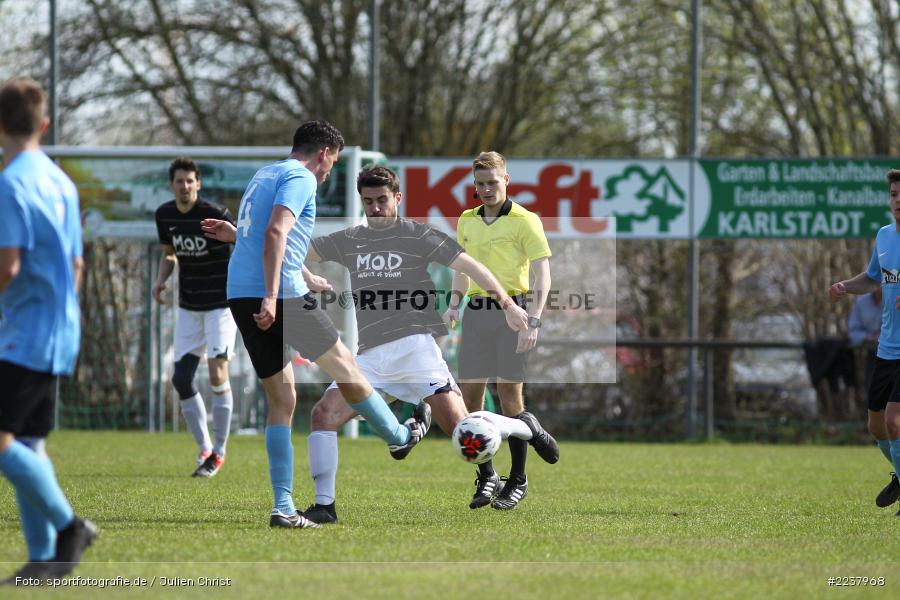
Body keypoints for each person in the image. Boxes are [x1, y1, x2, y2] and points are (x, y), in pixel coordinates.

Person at [216, 121, 431, 529]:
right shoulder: (301, 178)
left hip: (240, 292)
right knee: (348, 370)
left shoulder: (265, 174)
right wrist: (272, 294)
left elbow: (262, 237)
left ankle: (283, 508)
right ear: (324, 153)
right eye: (333, 161)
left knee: (281, 401)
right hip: (279, 295)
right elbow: (275, 232)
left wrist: (300, 275)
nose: (330, 170)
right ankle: (399, 437)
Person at [0, 78, 98, 583]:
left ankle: (70, 526)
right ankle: (42, 560)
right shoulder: (62, 183)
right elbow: (77, 263)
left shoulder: (10, 183)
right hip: (61, 327)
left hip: (24, 331)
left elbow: (8, 266)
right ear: (44, 124)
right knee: (30, 442)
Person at [443, 151, 553, 510]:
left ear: (506, 181)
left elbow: (543, 275)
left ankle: (518, 479)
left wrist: (533, 319)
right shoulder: (466, 219)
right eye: (481, 183)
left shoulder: (525, 220)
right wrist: (454, 303)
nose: (487, 189)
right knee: (470, 400)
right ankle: (488, 474)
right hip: (476, 314)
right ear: (474, 186)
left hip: (514, 314)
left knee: (510, 399)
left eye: (493, 182)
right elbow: (462, 270)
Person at [153, 157, 237, 478]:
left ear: (198, 184)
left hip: (220, 306)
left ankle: (220, 452)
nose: (185, 186)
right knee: (181, 379)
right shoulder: (165, 215)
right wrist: (161, 280)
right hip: (189, 307)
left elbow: (243, 242)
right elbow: (170, 254)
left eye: (190, 181)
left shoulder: (215, 214)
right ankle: (204, 448)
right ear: (172, 185)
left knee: (217, 374)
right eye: (179, 181)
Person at [829, 168, 900, 516]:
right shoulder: (884, 237)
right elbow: (873, 278)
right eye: (894, 194)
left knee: (894, 420)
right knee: (876, 425)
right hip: (887, 348)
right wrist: (846, 286)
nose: (898, 201)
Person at [848, 288, 881, 389]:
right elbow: (853, 332)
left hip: (895, 354)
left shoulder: (895, 299)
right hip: (872, 354)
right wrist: (869, 337)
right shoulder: (861, 302)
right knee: (873, 388)